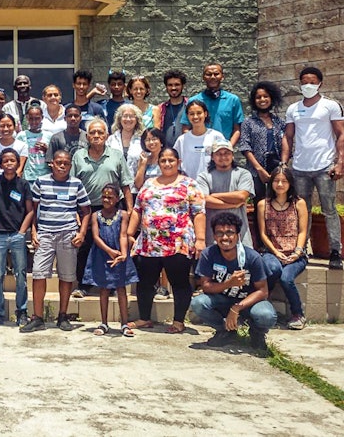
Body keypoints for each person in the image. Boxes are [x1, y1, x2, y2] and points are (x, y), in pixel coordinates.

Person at [127, 147, 205, 334]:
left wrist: (200, 239)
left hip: (178, 242)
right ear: (159, 163)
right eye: (163, 160)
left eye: (171, 160)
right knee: (145, 282)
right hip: (149, 244)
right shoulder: (148, 183)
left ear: (178, 162)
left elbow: (199, 213)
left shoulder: (189, 184)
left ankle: (178, 321)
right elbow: (138, 209)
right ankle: (144, 318)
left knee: (179, 282)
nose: (167, 164)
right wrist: (130, 234)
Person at [20, 150, 91, 333]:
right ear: (52, 163)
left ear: (70, 165)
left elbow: (86, 211)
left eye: (66, 163)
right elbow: (33, 210)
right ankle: (37, 317)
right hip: (45, 234)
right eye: (58, 162)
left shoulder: (76, 184)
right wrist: (33, 232)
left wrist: (82, 233)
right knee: (38, 274)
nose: (62, 166)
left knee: (66, 276)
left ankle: (62, 315)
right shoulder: (41, 181)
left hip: (68, 234)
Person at [282, 66, 344, 270]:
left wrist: (339, 162)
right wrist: (284, 163)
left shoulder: (330, 106)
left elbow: (340, 134)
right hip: (300, 167)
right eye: (304, 81)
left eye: (312, 81)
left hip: (324, 167)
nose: (308, 85)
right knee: (302, 210)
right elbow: (288, 137)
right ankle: (302, 250)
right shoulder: (293, 108)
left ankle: (335, 251)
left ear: (320, 83)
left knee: (329, 209)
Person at [191, 212, 277, 352]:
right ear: (214, 236)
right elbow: (205, 286)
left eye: (230, 233)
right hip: (222, 300)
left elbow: (263, 291)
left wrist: (236, 308)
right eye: (219, 233)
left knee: (266, 315)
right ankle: (225, 330)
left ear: (238, 235)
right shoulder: (209, 254)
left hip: (248, 302)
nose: (224, 237)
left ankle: (257, 333)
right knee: (198, 303)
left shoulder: (252, 257)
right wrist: (229, 283)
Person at [70, 118, 134, 297]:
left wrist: (129, 211)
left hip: (113, 207)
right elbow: (73, 184)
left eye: (100, 132)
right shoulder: (78, 156)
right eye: (92, 133)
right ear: (87, 136)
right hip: (87, 209)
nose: (96, 136)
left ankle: (112, 284)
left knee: (111, 244)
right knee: (85, 246)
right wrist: (75, 211)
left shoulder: (116, 155)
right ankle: (83, 285)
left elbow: (126, 185)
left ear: (106, 135)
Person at [0, 148, 34, 327]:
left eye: (12, 160)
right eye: (5, 161)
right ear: (0, 163)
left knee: (20, 274)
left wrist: (22, 232)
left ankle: (22, 312)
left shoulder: (24, 184)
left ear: (18, 162)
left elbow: (30, 211)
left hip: (17, 235)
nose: (9, 164)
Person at [257, 166, 308, 330]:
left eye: (284, 181)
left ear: (290, 183)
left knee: (286, 278)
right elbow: (263, 235)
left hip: (295, 254)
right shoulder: (263, 204)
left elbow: (302, 231)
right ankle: (261, 303)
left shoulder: (299, 203)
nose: (280, 184)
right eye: (276, 181)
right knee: (272, 269)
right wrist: (276, 252)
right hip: (271, 251)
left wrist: (297, 252)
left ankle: (298, 314)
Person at [84, 184, 137, 337]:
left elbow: (123, 235)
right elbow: (95, 236)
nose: (106, 199)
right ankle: (104, 322)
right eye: (104, 196)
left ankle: (124, 323)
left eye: (110, 197)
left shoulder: (123, 215)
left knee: (121, 288)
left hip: (119, 253)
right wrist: (109, 251)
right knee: (104, 288)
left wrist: (123, 253)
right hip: (102, 254)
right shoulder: (96, 215)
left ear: (117, 199)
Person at [196, 140, 254, 247]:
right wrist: (233, 204)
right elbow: (205, 201)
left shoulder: (243, 174)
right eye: (219, 154)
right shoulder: (203, 176)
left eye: (227, 153)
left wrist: (214, 195)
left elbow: (241, 197)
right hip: (213, 235)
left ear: (232, 155)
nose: (223, 157)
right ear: (212, 157)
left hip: (240, 236)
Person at [239, 81, 287, 201]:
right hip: (256, 170)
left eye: (265, 96)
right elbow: (245, 147)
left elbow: (287, 144)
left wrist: (283, 166)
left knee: (278, 202)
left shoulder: (280, 122)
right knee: (260, 203)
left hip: (277, 169)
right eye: (258, 97)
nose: (262, 99)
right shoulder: (248, 122)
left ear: (272, 98)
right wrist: (259, 169)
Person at [180, 63, 244, 145]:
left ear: (222, 77)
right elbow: (186, 127)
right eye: (209, 74)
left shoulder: (233, 100)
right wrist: (194, 146)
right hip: (200, 151)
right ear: (203, 77)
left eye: (216, 74)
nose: (213, 77)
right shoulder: (194, 101)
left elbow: (237, 129)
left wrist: (228, 148)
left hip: (223, 152)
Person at [173, 100, 226, 179]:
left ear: (205, 114)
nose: (195, 117)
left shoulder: (216, 136)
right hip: (188, 185)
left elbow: (225, 160)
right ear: (187, 116)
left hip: (212, 183)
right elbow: (175, 163)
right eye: (191, 114)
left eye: (199, 113)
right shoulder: (182, 140)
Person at [16, 105, 52, 184]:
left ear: (42, 118)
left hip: (45, 175)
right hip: (28, 176)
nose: (34, 122)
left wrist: (46, 150)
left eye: (37, 118)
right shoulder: (21, 136)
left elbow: (53, 156)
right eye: (31, 118)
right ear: (27, 118)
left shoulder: (49, 135)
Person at [108, 104, 145, 180]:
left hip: (136, 186)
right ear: (119, 119)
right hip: (114, 185)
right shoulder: (111, 140)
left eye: (131, 116)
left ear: (137, 119)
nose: (128, 119)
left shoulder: (143, 139)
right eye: (125, 116)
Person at [159, 69, 188, 147]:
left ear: (183, 86)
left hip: (186, 151)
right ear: (166, 87)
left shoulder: (190, 107)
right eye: (170, 85)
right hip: (166, 154)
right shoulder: (161, 109)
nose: (173, 88)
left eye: (177, 84)